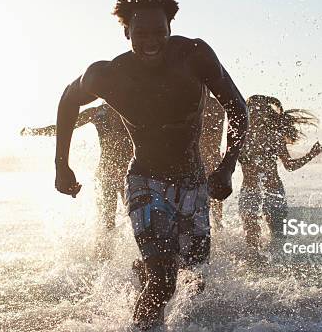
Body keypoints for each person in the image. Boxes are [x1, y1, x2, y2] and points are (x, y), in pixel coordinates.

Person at [53, 0, 248, 332]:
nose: (151, 41)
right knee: (165, 281)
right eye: (141, 33)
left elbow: (237, 107)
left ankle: (146, 272)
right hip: (145, 180)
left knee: (194, 273)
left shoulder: (195, 56)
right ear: (126, 31)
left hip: (193, 182)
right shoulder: (108, 74)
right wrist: (62, 165)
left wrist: (226, 165)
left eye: (159, 31)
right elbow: (67, 99)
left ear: (170, 27)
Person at [21, 98, 225, 233]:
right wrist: (36, 132)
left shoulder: (135, 109)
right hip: (108, 174)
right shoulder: (98, 113)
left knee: (140, 223)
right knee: (108, 221)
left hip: (133, 175)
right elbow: (65, 126)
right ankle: (104, 260)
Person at [23, 103, 132, 232]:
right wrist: (36, 131)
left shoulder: (103, 111)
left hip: (121, 172)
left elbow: (62, 129)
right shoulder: (103, 111)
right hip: (111, 173)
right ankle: (104, 252)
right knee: (111, 223)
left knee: (125, 220)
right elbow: (62, 128)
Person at [238, 95, 322, 252]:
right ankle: (256, 269)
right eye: (252, 109)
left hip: (273, 191)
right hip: (249, 191)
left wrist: (311, 154)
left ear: (265, 112)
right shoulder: (241, 136)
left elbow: (289, 165)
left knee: (278, 237)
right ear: (247, 111)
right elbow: (229, 162)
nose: (256, 112)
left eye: (260, 109)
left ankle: (277, 269)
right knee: (251, 237)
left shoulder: (274, 137)